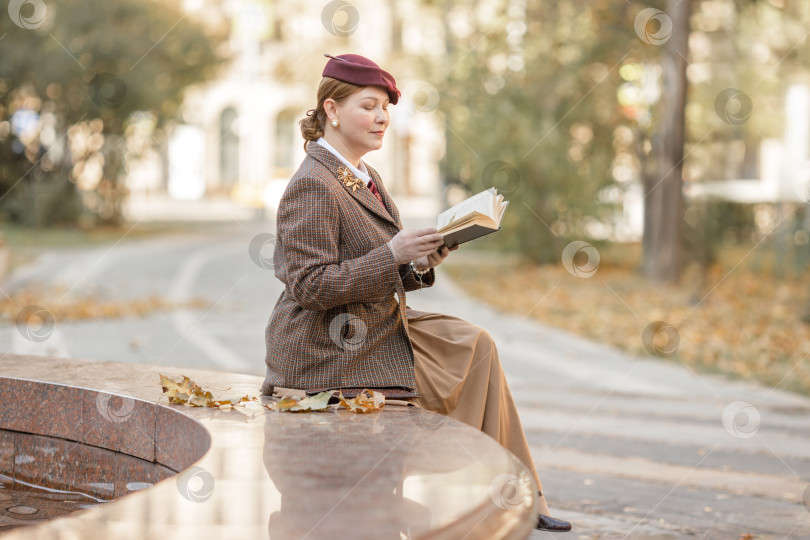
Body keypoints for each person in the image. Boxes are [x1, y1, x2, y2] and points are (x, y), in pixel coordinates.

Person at [261, 52, 571, 533]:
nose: (382, 117)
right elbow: (309, 285)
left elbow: (373, 267)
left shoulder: (362, 175)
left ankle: (519, 493)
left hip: (368, 324)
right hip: (325, 346)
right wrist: (392, 255)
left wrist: (418, 264)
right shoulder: (314, 184)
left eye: (386, 107)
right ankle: (483, 498)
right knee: (467, 352)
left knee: (477, 345)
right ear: (332, 110)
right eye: (368, 105)